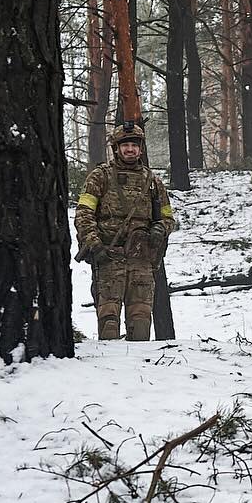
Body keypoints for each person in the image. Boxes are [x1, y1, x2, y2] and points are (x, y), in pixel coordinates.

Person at [74, 122, 175, 341]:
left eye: (134, 145)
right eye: (125, 145)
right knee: (108, 318)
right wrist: (95, 245)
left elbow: (169, 218)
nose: (130, 149)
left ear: (141, 149)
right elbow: (83, 214)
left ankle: (139, 370)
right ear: (116, 148)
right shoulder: (100, 177)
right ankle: (110, 370)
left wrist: (161, 228)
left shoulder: (153, 182)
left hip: (141, 258)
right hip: (109, 256)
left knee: (140, 320)